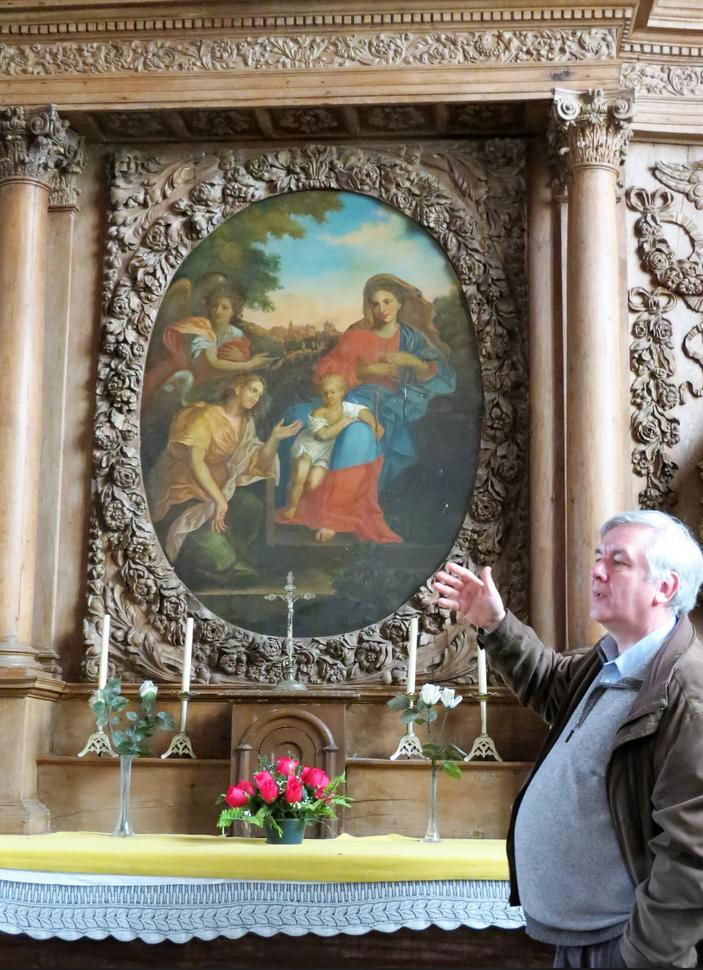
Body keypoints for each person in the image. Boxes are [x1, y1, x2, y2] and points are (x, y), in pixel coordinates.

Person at [434, 510, 703, 969]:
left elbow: (692, 854)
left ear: (665, 588)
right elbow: (548, 682)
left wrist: (642, 955)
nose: (597, 571)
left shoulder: (686, 693)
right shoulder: (609, 662)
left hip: (625, 948)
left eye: (618, 562)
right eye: (598, 557)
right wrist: (496, 625)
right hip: (585, 942)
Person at [277, 273, 455, 543]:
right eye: (375, 303)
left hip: (389, 405)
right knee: (297, 417)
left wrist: (413, 363)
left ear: (399, 304)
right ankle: (295, 502)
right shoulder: (357, 335)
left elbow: (445, 376)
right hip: (349, 396)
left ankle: (335, 516)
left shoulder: (412, 339)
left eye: (387, 301)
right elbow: (325, 371)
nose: (381, 309)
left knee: (357, 434)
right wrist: (362, 371)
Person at [149, 373, 301, 583]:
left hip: (219, 487)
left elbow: (257, 462)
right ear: (237, 388)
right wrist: (219, 500)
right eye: (253, 390)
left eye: (259, 394)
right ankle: (225, 561)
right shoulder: (204, 416)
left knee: (251, 506)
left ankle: (231, 549)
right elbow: (196, 462)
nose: (256, 397)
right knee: (212, 548)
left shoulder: (246, 422)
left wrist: (274, 438)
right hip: (184, 488)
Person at [279, 373, 384, 528]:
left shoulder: (348, 408)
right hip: (308, 448)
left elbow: (364, 413)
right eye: (325, 392)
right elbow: (322, 435)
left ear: (342, 392)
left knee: (313, 484)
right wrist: (343, 422)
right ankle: (291, 507)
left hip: (324, 453)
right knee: (299, 478)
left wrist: (374, 425)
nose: (328, 396)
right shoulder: (318, 412)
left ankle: (306, 506)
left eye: (332, 392)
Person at [143, 285, 273, 404]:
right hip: (189, 374)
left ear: (234, 311)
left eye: (225, 308)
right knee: (181, 379)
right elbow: (213, 362)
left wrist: (242, 359)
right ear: (208, 307)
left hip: (214, 383)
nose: (218, 311)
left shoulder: (237, 334)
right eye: (214, 306)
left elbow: (236, 367)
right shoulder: (201, 326)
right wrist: (249, 364)